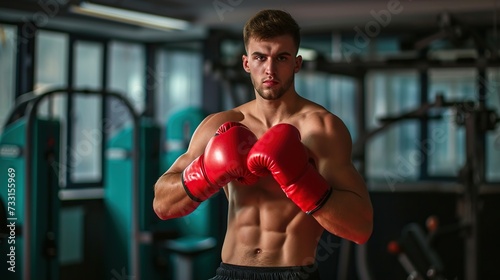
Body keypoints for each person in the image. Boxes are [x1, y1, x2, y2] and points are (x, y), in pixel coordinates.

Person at [153, 9, 373, 280]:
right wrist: (206, 171)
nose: (270, 69)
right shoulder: (220, 124)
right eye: (260, 57)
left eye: (281, 57)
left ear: (297, 63)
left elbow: (360, 227)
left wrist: (302, 180)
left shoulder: (321, 128)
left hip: (293, 273)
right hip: (229, 272)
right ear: (246, 63)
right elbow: (162, 204)